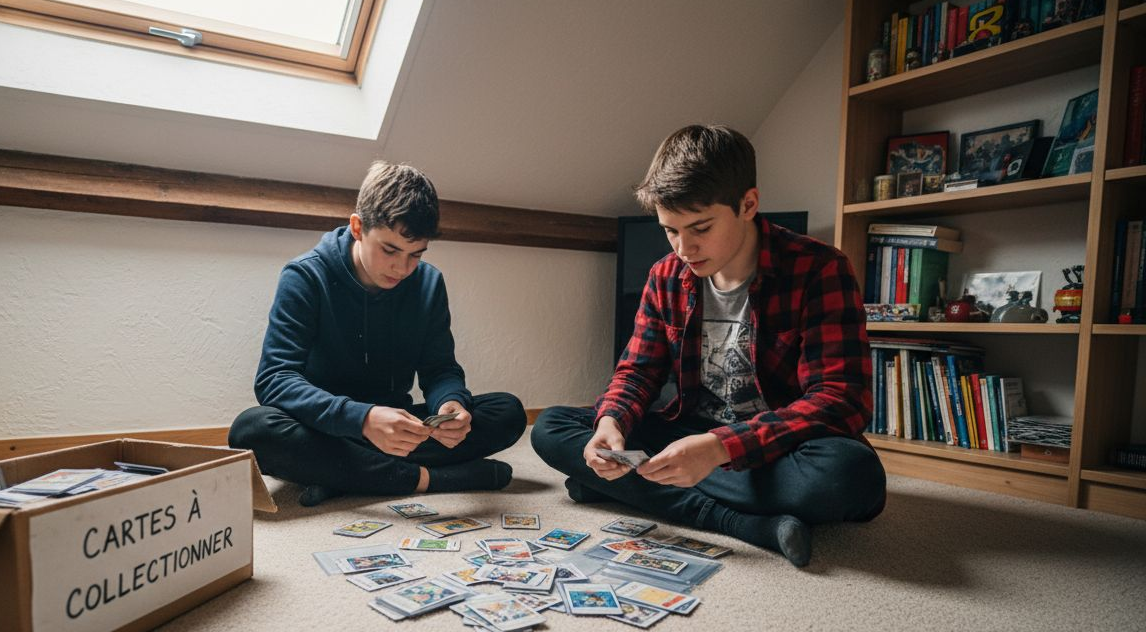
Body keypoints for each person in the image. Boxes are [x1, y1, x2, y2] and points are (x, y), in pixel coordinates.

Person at [531, 125, 886, 567]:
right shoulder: (665, 275)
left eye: (700, 228)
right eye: (670, 231)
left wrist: (721, 448)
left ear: (748, 204)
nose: (684, 248)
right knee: (552, 428)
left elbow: (841, 400)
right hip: (689, 431)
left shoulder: (820, 269)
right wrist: (612, 422)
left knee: (850, 477)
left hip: (780, 447)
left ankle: (620, 489)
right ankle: (744, 524)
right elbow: (638, 371)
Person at [229, 161, 525, 507]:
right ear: (358, 227)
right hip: (326, 427)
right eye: (390, 250)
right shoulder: (305, 276)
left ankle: (343, 475)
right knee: (250, 431)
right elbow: (274, 379)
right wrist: (363, 420)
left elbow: (439, 368)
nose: (402, 268)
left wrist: (451, 403)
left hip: (399, 427)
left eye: (416, 255)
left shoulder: (428, 283)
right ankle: (430, 479)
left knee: (508, 411)